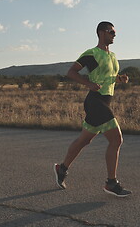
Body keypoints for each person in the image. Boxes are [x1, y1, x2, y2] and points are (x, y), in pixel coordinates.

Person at [54, 21, 132, 197]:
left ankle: (62, 168)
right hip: (95, 102)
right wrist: (88, 83)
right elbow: (71, 72)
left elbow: (108, 77)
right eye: (111, 31)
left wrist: (119, 79)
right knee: (116, 140)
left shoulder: (113, 56)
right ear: (101, 32)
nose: (114, 34)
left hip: (104, 102)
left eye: (114, 32)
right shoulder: (92, 53)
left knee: (84, 140)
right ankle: (111, 184)